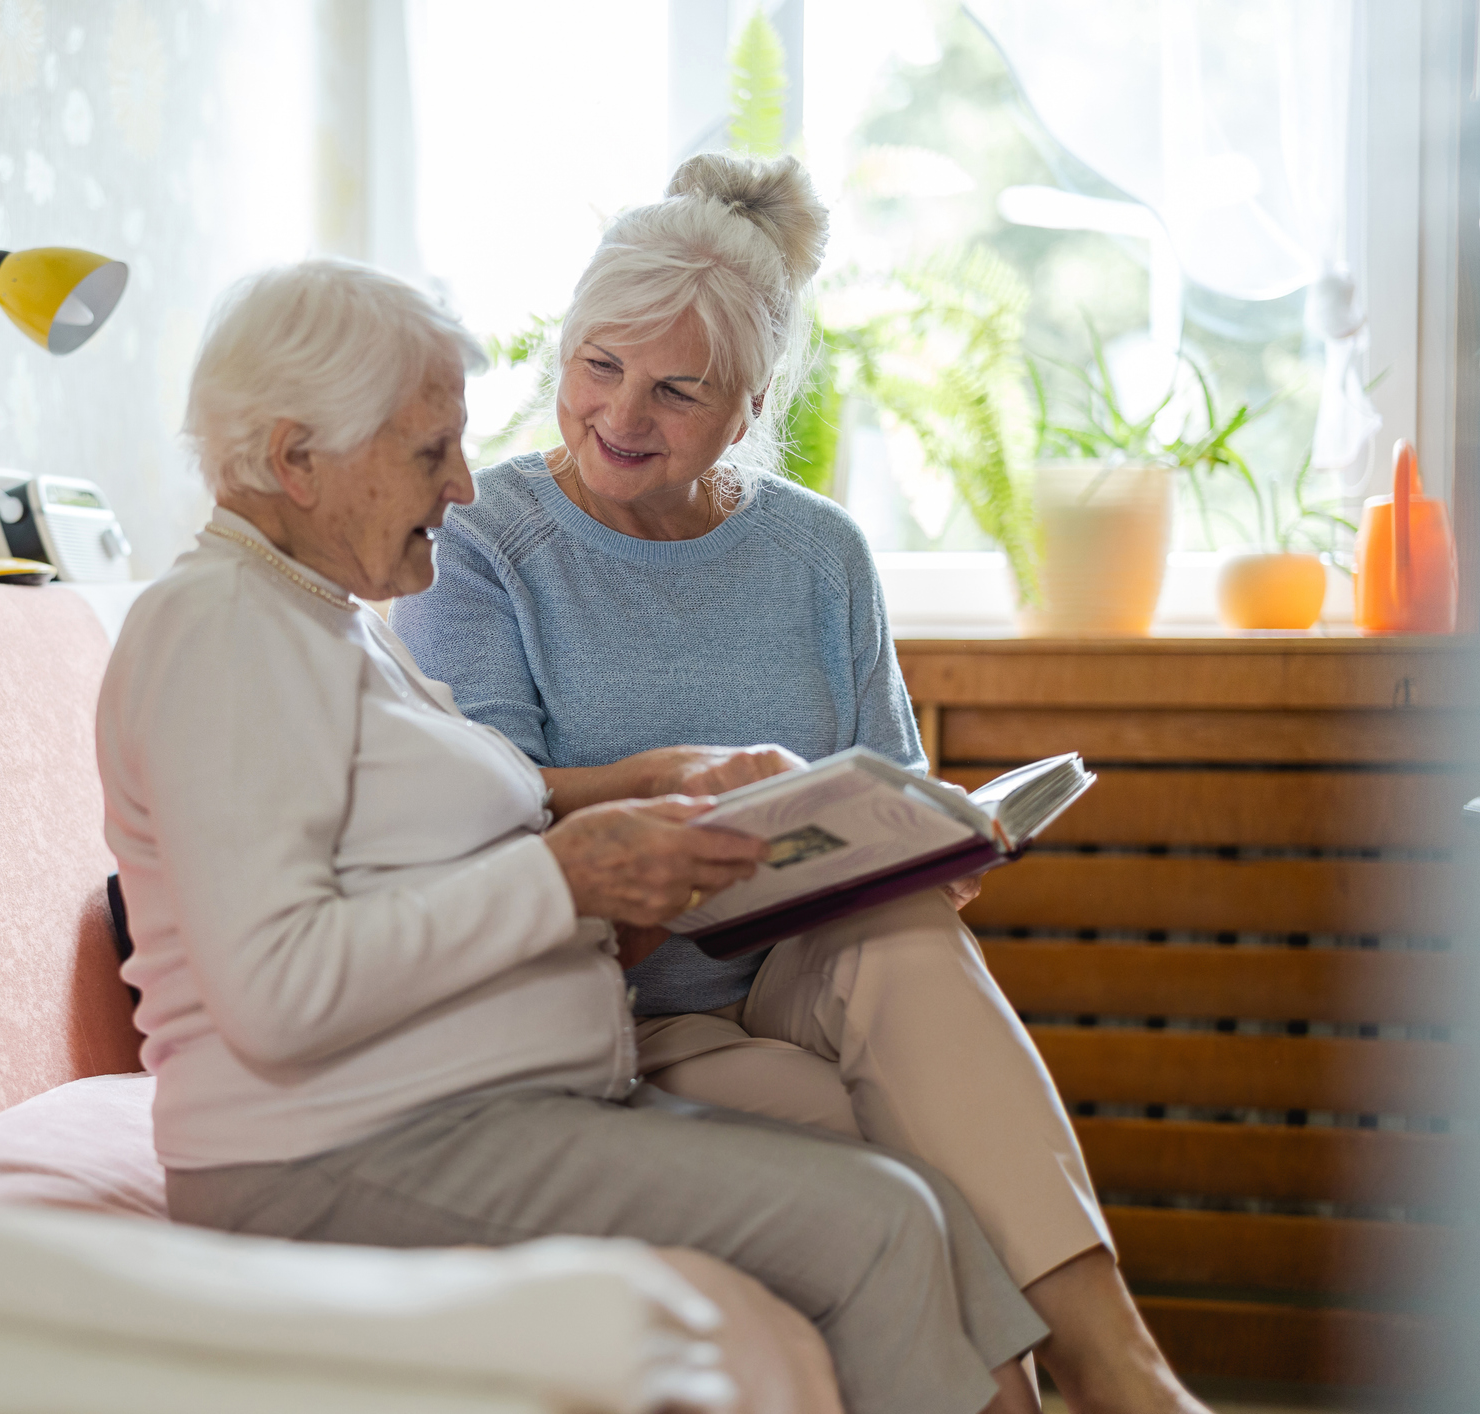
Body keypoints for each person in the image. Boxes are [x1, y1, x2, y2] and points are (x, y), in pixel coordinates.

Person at [99, 257, 1054, 1414]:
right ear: (297, 459)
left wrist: (648, 807)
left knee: (919, 1197)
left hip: (463, 1113)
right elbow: (274, 988)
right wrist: (569, 875)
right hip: (338, 1151)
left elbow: (423, 858)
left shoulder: (324, 623)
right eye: (426, 452)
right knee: (883, 1223)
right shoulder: (218, 630)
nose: (463, 486)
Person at [390, 152, 1209, 1414]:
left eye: (676, 388)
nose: (622, 413)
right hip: (620, 1006)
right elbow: (491, 798)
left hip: (801, 967)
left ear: (752, 398)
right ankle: (1065, 1394)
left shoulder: (820, 551)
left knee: (908, 931)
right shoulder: (486, 538)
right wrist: (667, 785)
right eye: (597, 365)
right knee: (902, 1144)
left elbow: (894, 788)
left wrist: (941, 843)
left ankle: (1128, 1372)